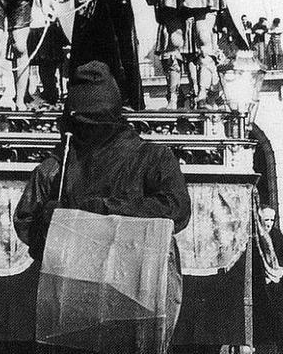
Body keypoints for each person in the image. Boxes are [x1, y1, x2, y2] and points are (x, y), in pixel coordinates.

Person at [14, 61, 191, 353]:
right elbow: (28, 221)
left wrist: (97, 210)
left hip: (116, 301)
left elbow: (176, 210)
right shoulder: (57, 167)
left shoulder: (151, 158)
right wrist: (49, 222)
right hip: (100, 306)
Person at [253, 206, 283, 353]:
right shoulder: (255, 238)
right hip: (262, 285)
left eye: (272, 220)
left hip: (280, 285)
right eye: (266, 219)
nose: (269, 223)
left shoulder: (276, 235)